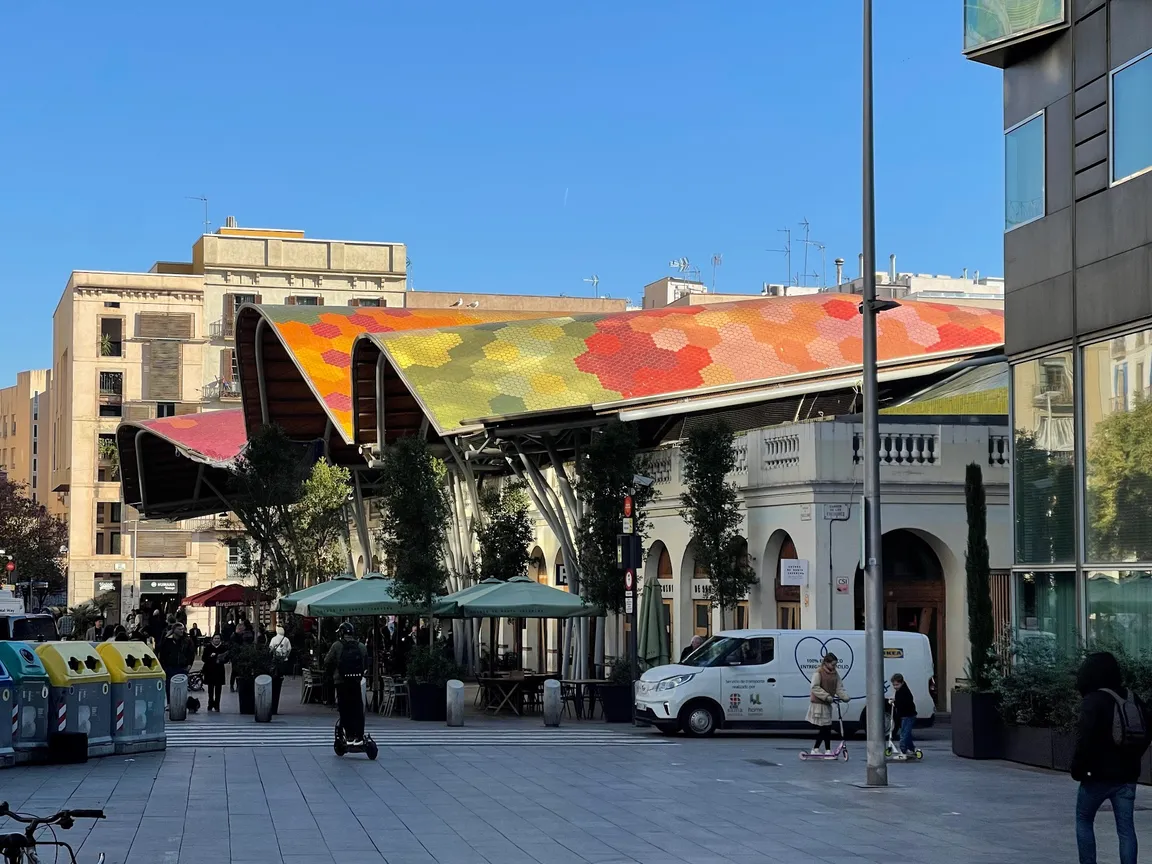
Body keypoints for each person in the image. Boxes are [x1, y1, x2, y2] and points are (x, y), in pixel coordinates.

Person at [1071, 651, 1151, 864]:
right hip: (1127, 776)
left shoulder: (1093, 700)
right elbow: (1146, 731)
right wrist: (1134, 757)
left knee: (1084, 820)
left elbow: (1084, 740)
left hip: (1096, 777)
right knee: (1126, 830)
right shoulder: (1132, 698)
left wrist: (1078, 769)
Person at [325, 622, 368, 746]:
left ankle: (349, 736)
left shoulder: (336, 645)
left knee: (344, 708)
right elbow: (365, 663)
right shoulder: (361, 646)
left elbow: (327, 661)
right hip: (355, 681)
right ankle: (359, 736)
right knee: (357, 708)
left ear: (341, 633)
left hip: (341, 681)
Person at [806, 653, 849, 756]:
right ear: (826, 663)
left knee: (825, 728)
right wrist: (827, 696)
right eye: (833, 664)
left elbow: (839, 687)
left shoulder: (835, 674)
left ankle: (816, 749)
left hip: (827, 703)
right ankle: (827, 750)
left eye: (835, 665)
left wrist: (844, 697)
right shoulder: (818, 672)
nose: (834, 667)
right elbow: (815, 687)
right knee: (826, 727)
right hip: (819, 704)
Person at [157, 622, 195, 707]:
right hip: (170, 667)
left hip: (182, 667)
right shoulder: (167, 641)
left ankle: (181, 704)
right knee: (169, 686)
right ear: (174, 630)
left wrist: (189, 664)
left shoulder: (187, 640)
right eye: (179, 629)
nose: (181, 631)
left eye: (182, 629)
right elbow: (162, 653)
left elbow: (191, 653)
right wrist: (163, 666)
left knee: (182, 687)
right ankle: (170, 703)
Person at [889, 672, 917, 755]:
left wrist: (895, 703)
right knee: (907, 734)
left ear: (902, 683)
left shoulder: (903, 692)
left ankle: (903, 750)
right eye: (894, 685)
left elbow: (902, 703)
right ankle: (911, 749)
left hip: (908, 715)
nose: (895, 687)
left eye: (897, 685)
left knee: (904, 734)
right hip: (907, 715)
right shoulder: (901, 690)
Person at [201, 633, 228, 712]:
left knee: (218, 689)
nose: (216, 640)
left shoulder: (223, 648)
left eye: (218, 638)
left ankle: (217, 704)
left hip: (219, 670)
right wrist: (210, 657)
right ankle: (210, 703)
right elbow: (203, 658)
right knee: (210, 688)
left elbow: (226, 659)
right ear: (212, 639)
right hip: (210, 670)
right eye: (215, 638)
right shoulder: (208, 647)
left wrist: (221, 660)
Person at [229, 620, 253, 691]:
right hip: (236, 656)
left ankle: (237, 686)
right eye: (241, 629)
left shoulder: (241, 635)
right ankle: (232, 685)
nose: (243, 631)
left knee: (238, 672)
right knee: (234, 672)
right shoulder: (234, 636)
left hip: (239, 656)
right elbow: (233, 646)